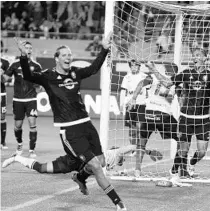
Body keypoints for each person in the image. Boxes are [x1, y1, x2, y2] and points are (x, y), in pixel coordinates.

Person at [14, 33, 127, 211]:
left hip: (87, 125)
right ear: (57, 59)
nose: (69, 57)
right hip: (69, 130)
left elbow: (93, 69)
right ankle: (119, 204)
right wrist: (23, 56)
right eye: (65, 55)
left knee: (102, 161)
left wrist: (104, 49)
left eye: (70, 54)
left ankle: (80, 177)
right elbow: (27, 75)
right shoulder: (47, 76)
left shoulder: (75, 73)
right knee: (96, 167)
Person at [144, 40, 210, 177]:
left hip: (203, 120)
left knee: (202, 152)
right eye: (194, 55)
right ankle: (173, 173)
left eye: (198, 55)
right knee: (183, 150)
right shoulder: (185, 73)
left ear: (204, 58)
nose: (195, 57)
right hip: (186, 118)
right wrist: (153, 69)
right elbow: (167, 83)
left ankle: (191, 164)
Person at [127, 63, 179, 177]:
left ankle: (137, 170)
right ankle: (180, 168)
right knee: (182, 138)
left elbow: (141, 83)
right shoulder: (175, 81)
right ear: (174, 72)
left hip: (149, 111)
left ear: (165, 70)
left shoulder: (154, 76)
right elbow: (181, 97)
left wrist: (133, 98)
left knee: (142, 141)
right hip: (163, 113)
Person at [2, 41, 42, 157]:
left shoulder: (37, 66)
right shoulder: (14, 64)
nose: (28, 50)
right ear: (22, 50)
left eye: (30, 48)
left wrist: (39, 88)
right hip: (18, 100)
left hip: (31, 99)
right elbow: (4, 79)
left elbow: (40, 83)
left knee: (32, 123)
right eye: (26, 48)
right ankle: (19, 145)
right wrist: (1, 75)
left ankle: (31, 150)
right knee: (17, 125)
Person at [120, 59, 163, 162]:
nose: (134, 67)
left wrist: (150, 105)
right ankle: (134, 149)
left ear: (139, 66)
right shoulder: (127, 77)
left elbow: (150, 91)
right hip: (130, 105)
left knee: (140, 128)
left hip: (142, 104)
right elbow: (123, 92)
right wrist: (122, 106)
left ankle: (140, 148)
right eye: (132, 66)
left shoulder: (144, 76)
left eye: (136, 66)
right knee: (132, 130)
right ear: (130, 66)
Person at [2, 145, 136, 177]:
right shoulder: (114, 153)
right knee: (42, 168)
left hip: (76, 167)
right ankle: (16, 158)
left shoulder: (110, 162)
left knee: (42, 169)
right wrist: (146, 150)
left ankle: (17, 158)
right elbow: (131, 147)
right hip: (72, 161)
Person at [0, 57, 10, 149]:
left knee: (2, 117)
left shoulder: (5, 62)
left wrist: (1, 75)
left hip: (1, 93)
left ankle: (2, 142)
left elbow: (6, 80)